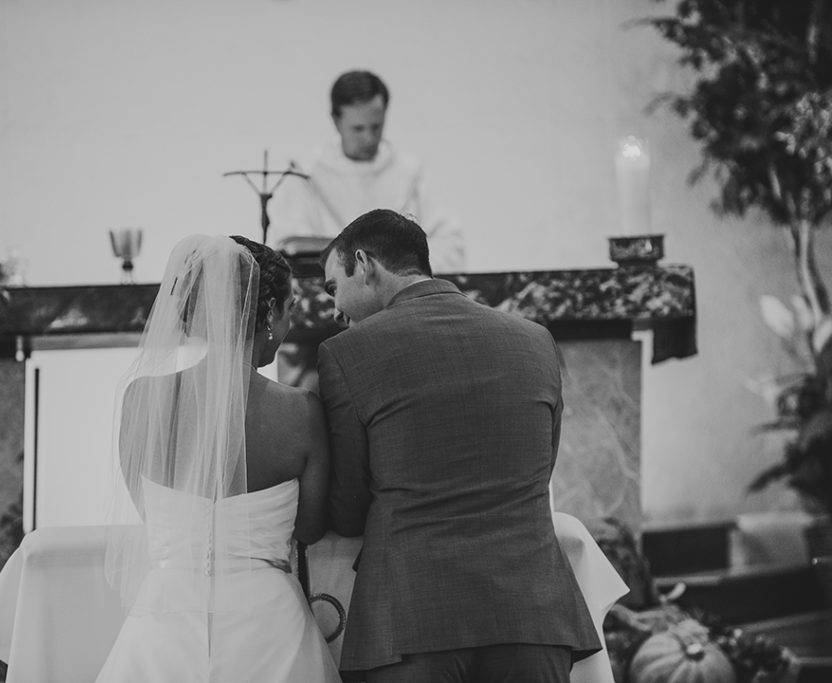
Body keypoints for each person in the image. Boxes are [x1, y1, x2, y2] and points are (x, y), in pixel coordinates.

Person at [317, 209, 601, 682]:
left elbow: (348, 507)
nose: (334, 310)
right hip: (531, 614)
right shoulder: (534, 340)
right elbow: (540, 471)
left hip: (412, 621)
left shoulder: (346, 353)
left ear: (364, 264)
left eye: (333, 288)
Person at [94, 235, 340, 682]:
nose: (285, 329)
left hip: (166, 617)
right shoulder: (300, 412)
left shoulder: (141, 400)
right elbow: (309, 528)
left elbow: (149, 510)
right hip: (268, 626)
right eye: (287, 312)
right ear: (267, 314)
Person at [267, 69, 465, 274]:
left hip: (401, 294)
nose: (369, 139)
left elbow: (449, 245)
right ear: (336, 121)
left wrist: (400, 271)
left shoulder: (410, 174)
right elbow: (290, 247)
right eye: (358, 129)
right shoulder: (305, 176)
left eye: (376, 127)